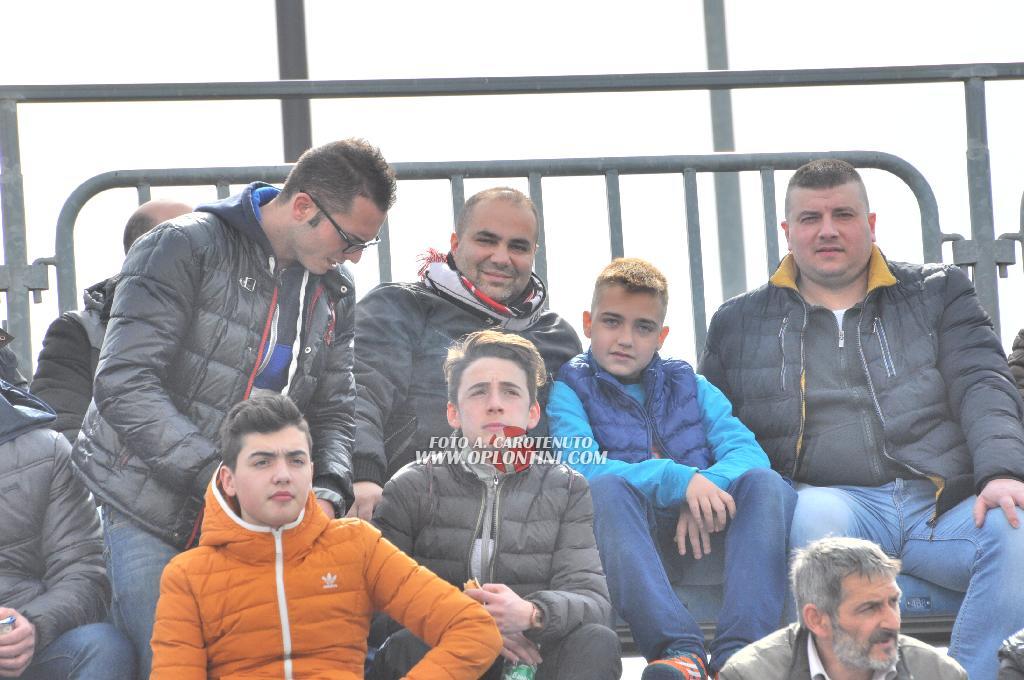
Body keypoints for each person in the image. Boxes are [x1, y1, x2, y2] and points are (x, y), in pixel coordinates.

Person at [71, 138, 397, 678]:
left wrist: (328, 488)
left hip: (255, 516)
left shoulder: (335, 287)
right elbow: (125, 382)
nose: (356, 256)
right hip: (143, 510)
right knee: (174, 664)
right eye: (350, 239)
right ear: (303, 206)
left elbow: (337, 409)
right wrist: (221, 479)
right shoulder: (180, 245)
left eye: (367, 243)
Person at [699, 158, 1024, 680]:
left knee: (1016, 529)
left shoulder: (938, 291)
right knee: (811, 522)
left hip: (940, 505)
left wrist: (1002, 472)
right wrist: (694, 482)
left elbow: (983, 383)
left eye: (843, 215)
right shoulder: (738, 321)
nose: (827, 230)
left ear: (870, 224)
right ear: (787, 231)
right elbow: (710, 424)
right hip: (832, 499)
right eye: (810, 218)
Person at [547, 258, 796, 679]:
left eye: (643, 327)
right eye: (612, 321)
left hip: (707, 528)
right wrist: (677, 480)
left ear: (661, 336)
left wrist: (701, 488)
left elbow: (747, 452)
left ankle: (740, 657)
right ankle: (680, 652)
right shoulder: (569, 388)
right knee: (603, 489)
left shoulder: (691, 384)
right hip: (630, 533)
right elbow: (581, 467)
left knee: (765, 483)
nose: (625, 339)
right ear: (588, 323)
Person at [150, 394, 500, 679]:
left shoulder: (356, 544)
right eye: (262, 462)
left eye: (296, 461)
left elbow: (473, 629)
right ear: (228, 480)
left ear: (312, 471)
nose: (283, 475)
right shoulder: (188, 575)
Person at [371, 330, 620, 680]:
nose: (495, 404)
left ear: (532, 413)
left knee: (596, 642)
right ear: (453, 413)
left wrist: (533, 614)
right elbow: (377, 605)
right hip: (449, 652)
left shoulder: (566, 487)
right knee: (405, 647)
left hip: (530, 656)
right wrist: (473, 624)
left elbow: (593, 603)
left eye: (510, 391)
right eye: (478, 391)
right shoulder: (411, 485)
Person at [350, 186, 581, 520]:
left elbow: (589, 426)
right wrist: (362, 474)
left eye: (517, 246)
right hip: (411, 510)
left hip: (530, 523)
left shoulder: (557, 336)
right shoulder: (398, 306)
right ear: (455, 244)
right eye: (487, 241)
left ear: (533, 253)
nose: (501, 257)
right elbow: (360, 392)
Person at [0, 380, 135, 680]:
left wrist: (32, 627)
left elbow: (84, 573)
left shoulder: (45, 450)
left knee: (103, 648)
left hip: (22, 642)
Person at [32, 199, 192, 442]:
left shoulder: (240, 329)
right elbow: (61, 435)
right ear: (142, 255)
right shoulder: (80, 333)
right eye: (188, 243)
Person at [720, 537, 966, 680]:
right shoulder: (750, 675)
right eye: (869, 608)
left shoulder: (939, 674)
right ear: (816, 619)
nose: (892, 623)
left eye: (893, 602)